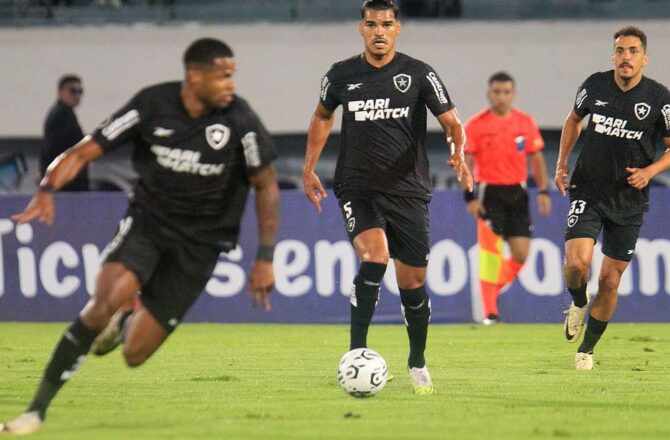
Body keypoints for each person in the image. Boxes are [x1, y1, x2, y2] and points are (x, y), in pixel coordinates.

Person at [0, 38, 279, 435]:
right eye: (222, 76)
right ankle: (35, 412)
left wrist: (265, 257)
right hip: (148, 224)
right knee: (100, 306)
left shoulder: (240, 119)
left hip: (201, 246)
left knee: (135, 354)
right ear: (195, 76)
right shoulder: (152, 104)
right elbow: (84, 151)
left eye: (232, 76)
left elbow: (266, 185)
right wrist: (46, 189)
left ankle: (129, 316)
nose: (230, 84)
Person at [302, 0, 471, 395]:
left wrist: (458, 152)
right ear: (361, 28)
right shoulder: (341, 75)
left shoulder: (420, 74)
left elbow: (452, 123)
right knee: (374, 258)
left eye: (386, 24)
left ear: (398, 28)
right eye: (372, 24)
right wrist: (308, 167)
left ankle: (417, 361)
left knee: (413, 284)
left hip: (408, 190)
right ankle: (355, 355)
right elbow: (322, 116)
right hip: (357, 188)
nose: (379, 31)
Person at [554, 26, 670, 370]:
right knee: (576, 265)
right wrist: (562, 162)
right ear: (613, 56)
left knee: (610, 281)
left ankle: (586, 350)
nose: (626, 57)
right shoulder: (594, 85)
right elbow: (573, 120)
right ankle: (578, 302)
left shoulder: (659, 98)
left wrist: (650, 172)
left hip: (629, 199)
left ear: (645, 58)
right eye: (620, 51)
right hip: (589, 189)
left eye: (633, 51)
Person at [463, 71, 551, 325]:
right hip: (488, 193)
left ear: (513, 94)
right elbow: (466, 162)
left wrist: (543, 191)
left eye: (506, 92)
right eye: (496, 92)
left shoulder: (525, 122)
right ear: (489, 94)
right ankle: (490, 313)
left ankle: (490, 288)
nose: (501, 97)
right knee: (491, 253)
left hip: (518, 192)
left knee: (521, 254)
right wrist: (469, 196)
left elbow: (536, 159)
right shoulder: (476, 124)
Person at [41, 74, 89, 192]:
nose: (77, 96)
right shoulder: (61, 115)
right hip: (66, 183)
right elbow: (55, 150)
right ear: (60, 92)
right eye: (72, 91)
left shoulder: (66, 113)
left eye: (80, 91)